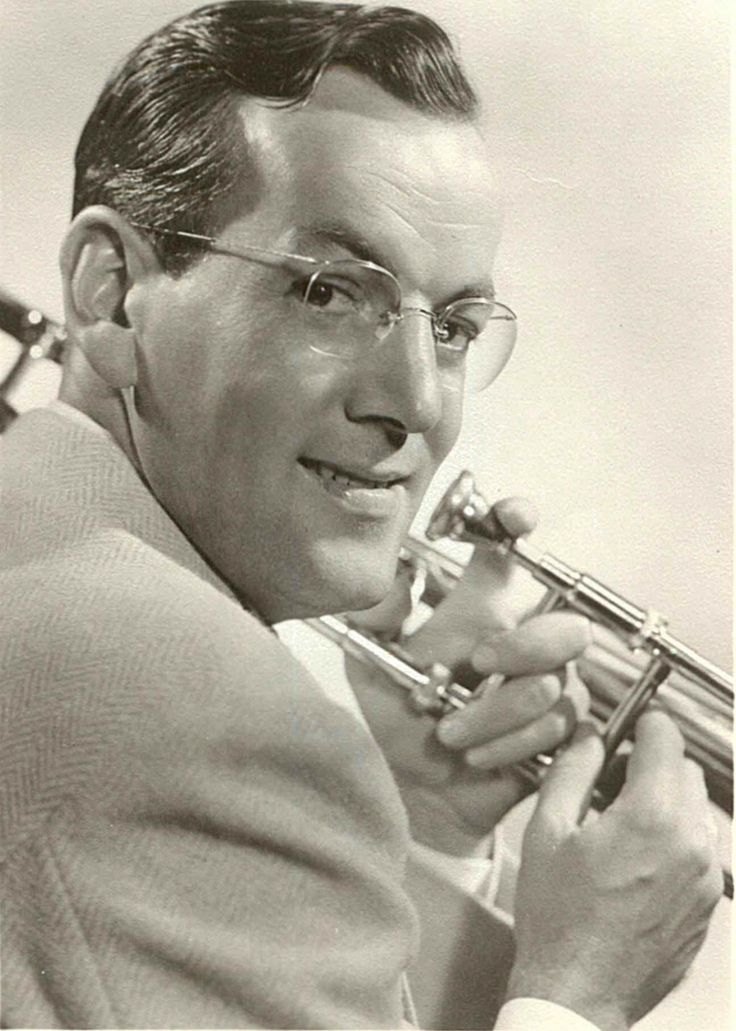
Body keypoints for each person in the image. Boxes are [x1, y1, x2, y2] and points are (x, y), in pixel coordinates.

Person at [0, 2, 722, 1028]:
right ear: (112, 295)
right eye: (332, 292)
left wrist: (415, 826)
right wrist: (578, 997)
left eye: (458, 327)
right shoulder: (208, 716)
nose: (418, 400)